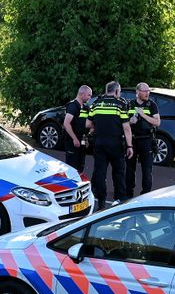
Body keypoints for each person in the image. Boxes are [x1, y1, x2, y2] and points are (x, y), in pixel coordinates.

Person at [84, 81, 134, 209]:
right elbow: (127, 128)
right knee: (118, 172)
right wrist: (129, 146)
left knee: (100, 172)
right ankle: (119, 200)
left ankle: (101, 201)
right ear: (117, 91)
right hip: (116, 143)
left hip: (99, 143)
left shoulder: (96, 104)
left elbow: (88, 125)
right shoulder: (120, 104)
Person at [126, 82, 161, 197]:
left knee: (147, 169)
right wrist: (130, 121)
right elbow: (123, 123)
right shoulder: (130, 104)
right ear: (137, 92)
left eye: (148, 91)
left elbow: (157, 122)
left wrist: (143, 115)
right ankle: (128, 193)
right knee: (130, 168)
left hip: (147, 140)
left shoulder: (152, 105)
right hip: (133, 140)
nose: (147, 93)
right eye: (145, 91)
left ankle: (145, 194)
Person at [62, 85, 91, 173]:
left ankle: (80, 185)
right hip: (72, 142)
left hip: (82, 141)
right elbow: (66, 123)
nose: (90, 97)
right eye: (89, 95)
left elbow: (85, 125)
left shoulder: (86, 107)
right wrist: (74, 139)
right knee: (72, 167)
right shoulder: (73, 106)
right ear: (82, 94)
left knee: (80, 166)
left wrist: (86, 139)